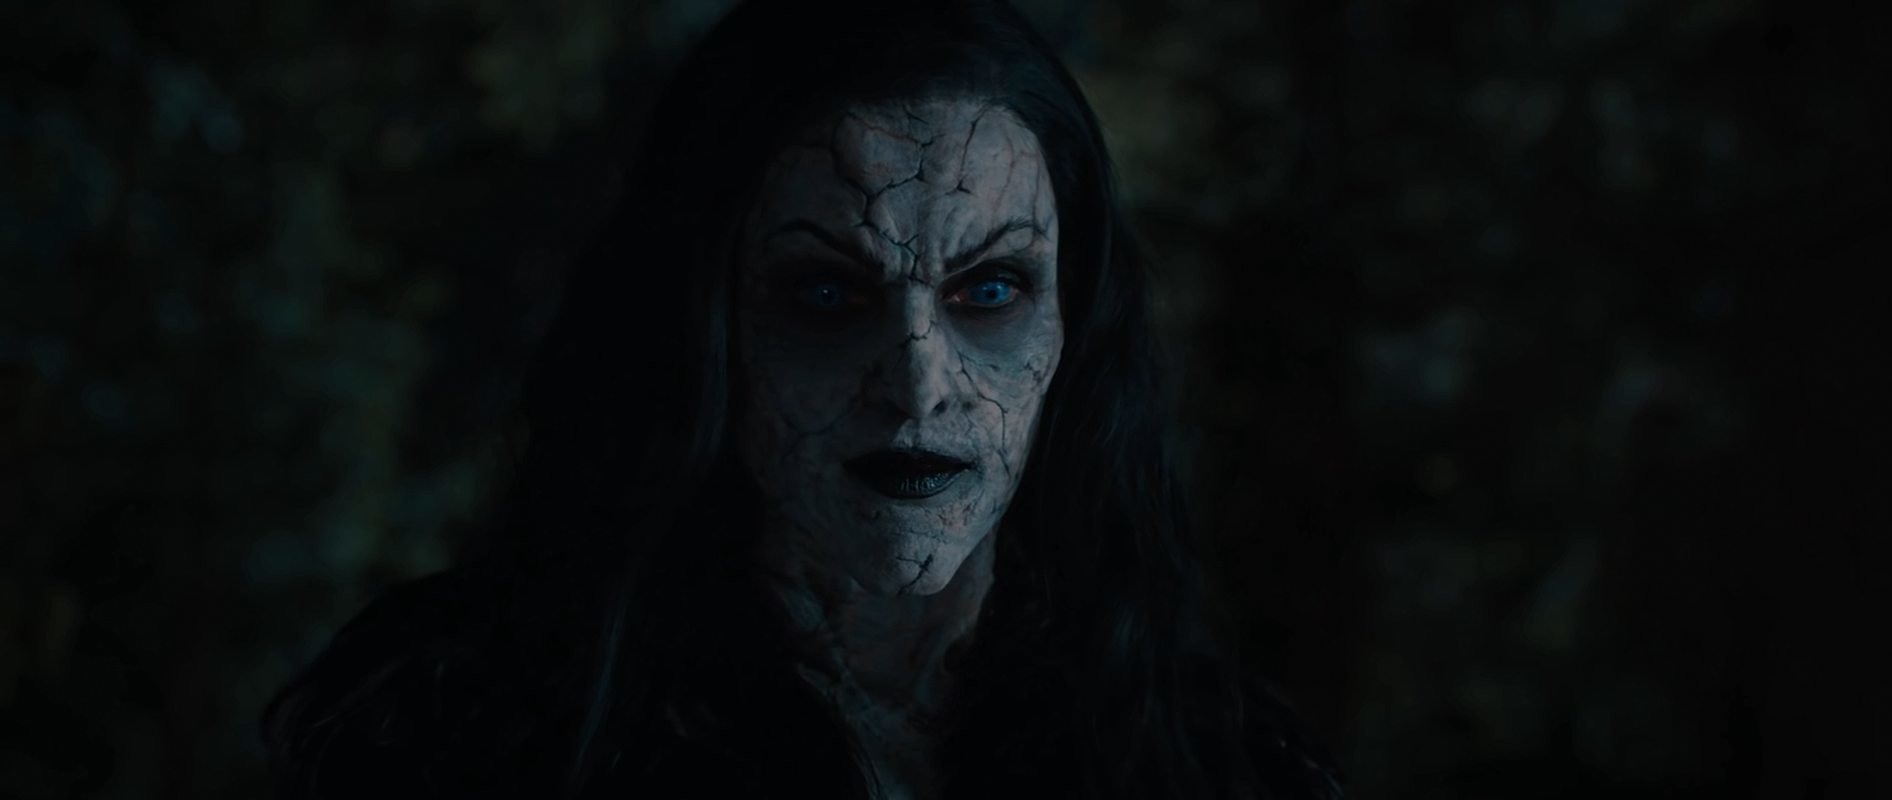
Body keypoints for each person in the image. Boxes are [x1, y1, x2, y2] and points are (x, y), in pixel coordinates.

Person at [263, 1, 1344, 797]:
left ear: (1075, 324)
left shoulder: (1220, 765)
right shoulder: (454, 730)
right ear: (704, 321)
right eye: (827, 294)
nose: (918, 384)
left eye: (990, 291)